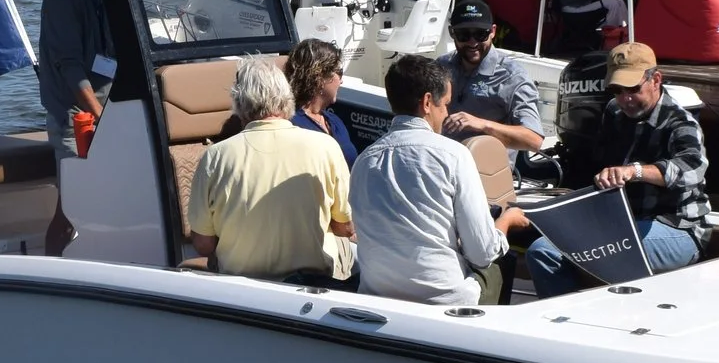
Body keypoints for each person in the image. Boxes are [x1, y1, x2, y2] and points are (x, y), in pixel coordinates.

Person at [528, 42, 708, 294]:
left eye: (633, 89)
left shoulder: (681, 123)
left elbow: (692, 169)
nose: (625, 99)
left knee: (578, 254)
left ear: (656, 80)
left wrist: (634, 171)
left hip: (679, 228)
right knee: (540, 250)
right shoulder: (613, 111)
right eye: (617, 90)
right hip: (624, 223)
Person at [351, 54, 529, 306]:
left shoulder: (364, 161)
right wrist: (506, 222)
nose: (446, 114)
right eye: (445, 105)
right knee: (498, 264)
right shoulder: (454, 155)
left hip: (376, 296)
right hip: (445, 302)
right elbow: (482, 252)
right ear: (426, 102)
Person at [183, 56, 355, 285]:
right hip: (313, 284)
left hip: (244, 287)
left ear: (238, 103)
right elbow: (345, 227)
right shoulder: (326, 146)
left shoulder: (215, 156)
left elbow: (204, 245)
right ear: (287, 98)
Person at [37, 0, 116, 254]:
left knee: (110, 204)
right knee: (71, 209)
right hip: (77, 118)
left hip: (111, 112)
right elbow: (69, 67)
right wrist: (101, 116)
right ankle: (51, 276)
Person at [441, 0, 547, 151]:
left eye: (480, 34)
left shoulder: (512, 77)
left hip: (486, 169)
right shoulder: (441, 66)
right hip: (443, 161)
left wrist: (482, 124)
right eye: (464, 35)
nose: (472, 43)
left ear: (493, 32)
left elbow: (533, 140)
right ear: (452, 33)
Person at [284, 37, 357, 164]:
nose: (341, 81)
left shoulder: (335, 121)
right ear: (319, 77)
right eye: (338, 72)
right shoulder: (290, 124)